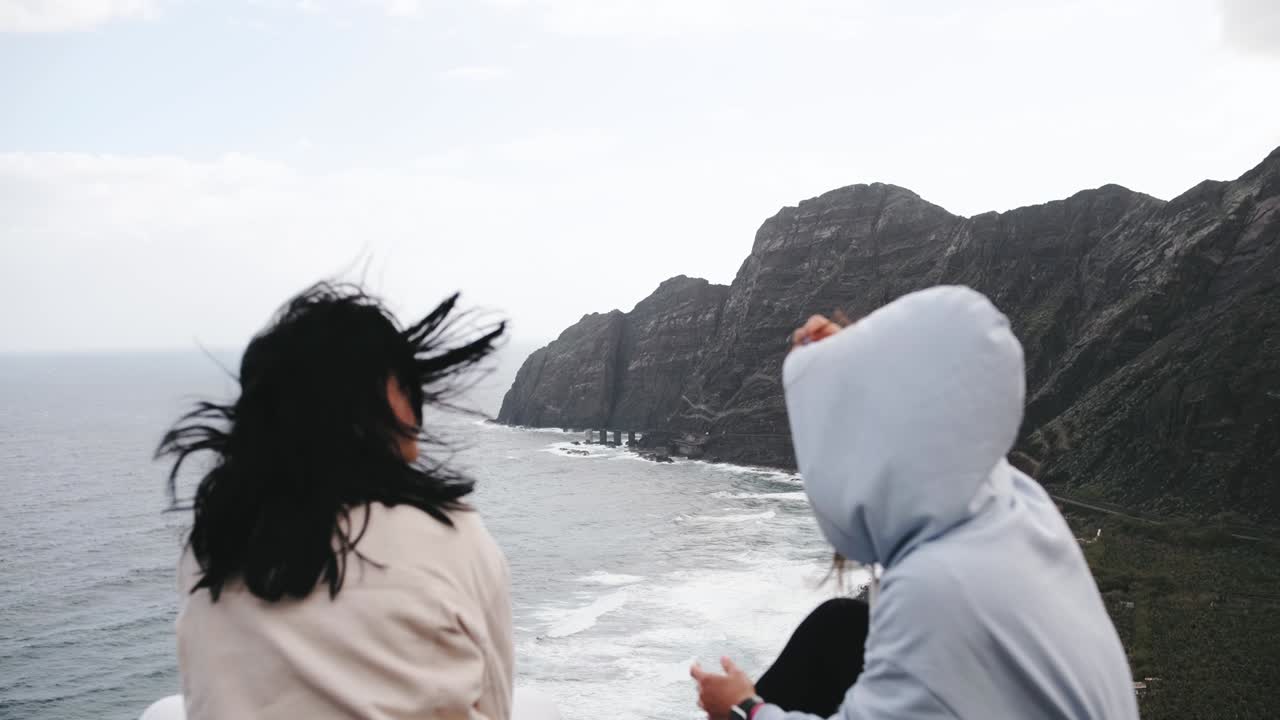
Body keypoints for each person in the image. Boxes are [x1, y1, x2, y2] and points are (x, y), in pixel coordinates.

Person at [692, 286, 1140, 720]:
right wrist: (847, 361)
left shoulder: (937, 587)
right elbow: (935, 404)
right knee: (840, 626)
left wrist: (743, 708)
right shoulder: (1015, 504)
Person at [157, 283, 514, 720]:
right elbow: (496, 707)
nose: (416, 413)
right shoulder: (451, 537)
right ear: (367, 401)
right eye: (404, 385)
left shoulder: (209, 548)